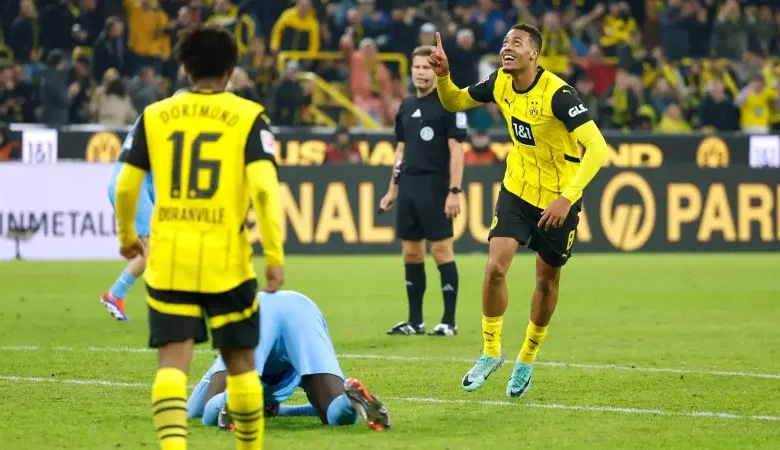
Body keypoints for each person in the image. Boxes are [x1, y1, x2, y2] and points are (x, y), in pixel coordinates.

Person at [113, 24, 285, 450]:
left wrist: (127, 236)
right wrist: (274, 256)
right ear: (230, 69)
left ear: (184, 68)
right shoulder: (250, 117)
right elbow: (265, 190)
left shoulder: (154, 115)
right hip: (227, 261)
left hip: (171, 258)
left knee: (173, 363)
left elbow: (125, 185)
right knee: (241, 363)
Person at [429, 25, 608, 397]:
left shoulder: (559, 95)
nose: (507, 47)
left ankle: (526, 357)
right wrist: (444, 76)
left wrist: (567, 198)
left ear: (534, 54)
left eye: (517, 43)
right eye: (505, 42)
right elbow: (454, 102)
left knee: (546, 281)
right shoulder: (499, 82)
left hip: (558, 199)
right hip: (517, 189)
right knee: (495, 268)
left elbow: (598, 148)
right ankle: (490, 351)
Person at [187, 290, 391, 431]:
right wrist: (280, 411)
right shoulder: (296, 365)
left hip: (258, 310)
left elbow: (193, 411)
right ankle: (350, 400)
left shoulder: (227, 359)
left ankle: (232, 397)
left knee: (210, 411)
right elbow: (312, 409)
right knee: (335, 413)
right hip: (302, 310)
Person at [379, 46, 467, 337]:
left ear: (435, 70)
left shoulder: (449, 103)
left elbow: (457, 151)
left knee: (441, 250)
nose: (420, 72)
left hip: (436, 186)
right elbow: (401, 151)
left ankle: (449, 321)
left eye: (426, 67)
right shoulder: (405, 106)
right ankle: (415, 322)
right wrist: (392, 189)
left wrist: (454, 190)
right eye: (416, 67)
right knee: (411, 252)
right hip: (409, 187)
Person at [101, 115, 154, 321]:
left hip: (128, 184)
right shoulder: (167, 123)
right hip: (133, 187)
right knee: (154, 248)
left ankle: (117, 294)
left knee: (152, 248)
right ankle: (116, 294)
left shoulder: (149, 117)